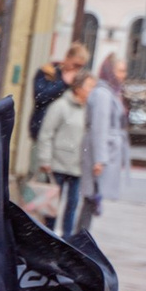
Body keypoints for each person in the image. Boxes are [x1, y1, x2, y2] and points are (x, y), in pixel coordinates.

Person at [33, 69, 91, 233]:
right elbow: (46, 133)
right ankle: (50, 237)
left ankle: (66, 239)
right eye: (88, 86)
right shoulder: (60, 106)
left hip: (77, 166)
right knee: (52, 206)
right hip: (57, 164)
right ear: (78, 88)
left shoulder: (89, 110)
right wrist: (45, 160)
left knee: (72, 205)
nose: (91, 91)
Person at [81, 53, 131, 234]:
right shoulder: (103, 94)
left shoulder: (111, 92)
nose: (123, 75)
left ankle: (82, 240)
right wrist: (99, 160)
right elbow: (99, 128)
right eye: (120, 70)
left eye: (124, 71)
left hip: (103, 150)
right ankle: (81, 241)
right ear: (110, 71)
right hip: (98, 152)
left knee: (92, 199)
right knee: (90, 199)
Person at [29, 40, 89, 143]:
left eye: (81, 67)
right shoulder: (48, 72)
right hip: (42, 128)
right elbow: (40, 96)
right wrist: (63, 83)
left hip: (66, 135)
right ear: (67, 58)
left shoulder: (78, 81)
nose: (77, 70)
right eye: (75, 65)